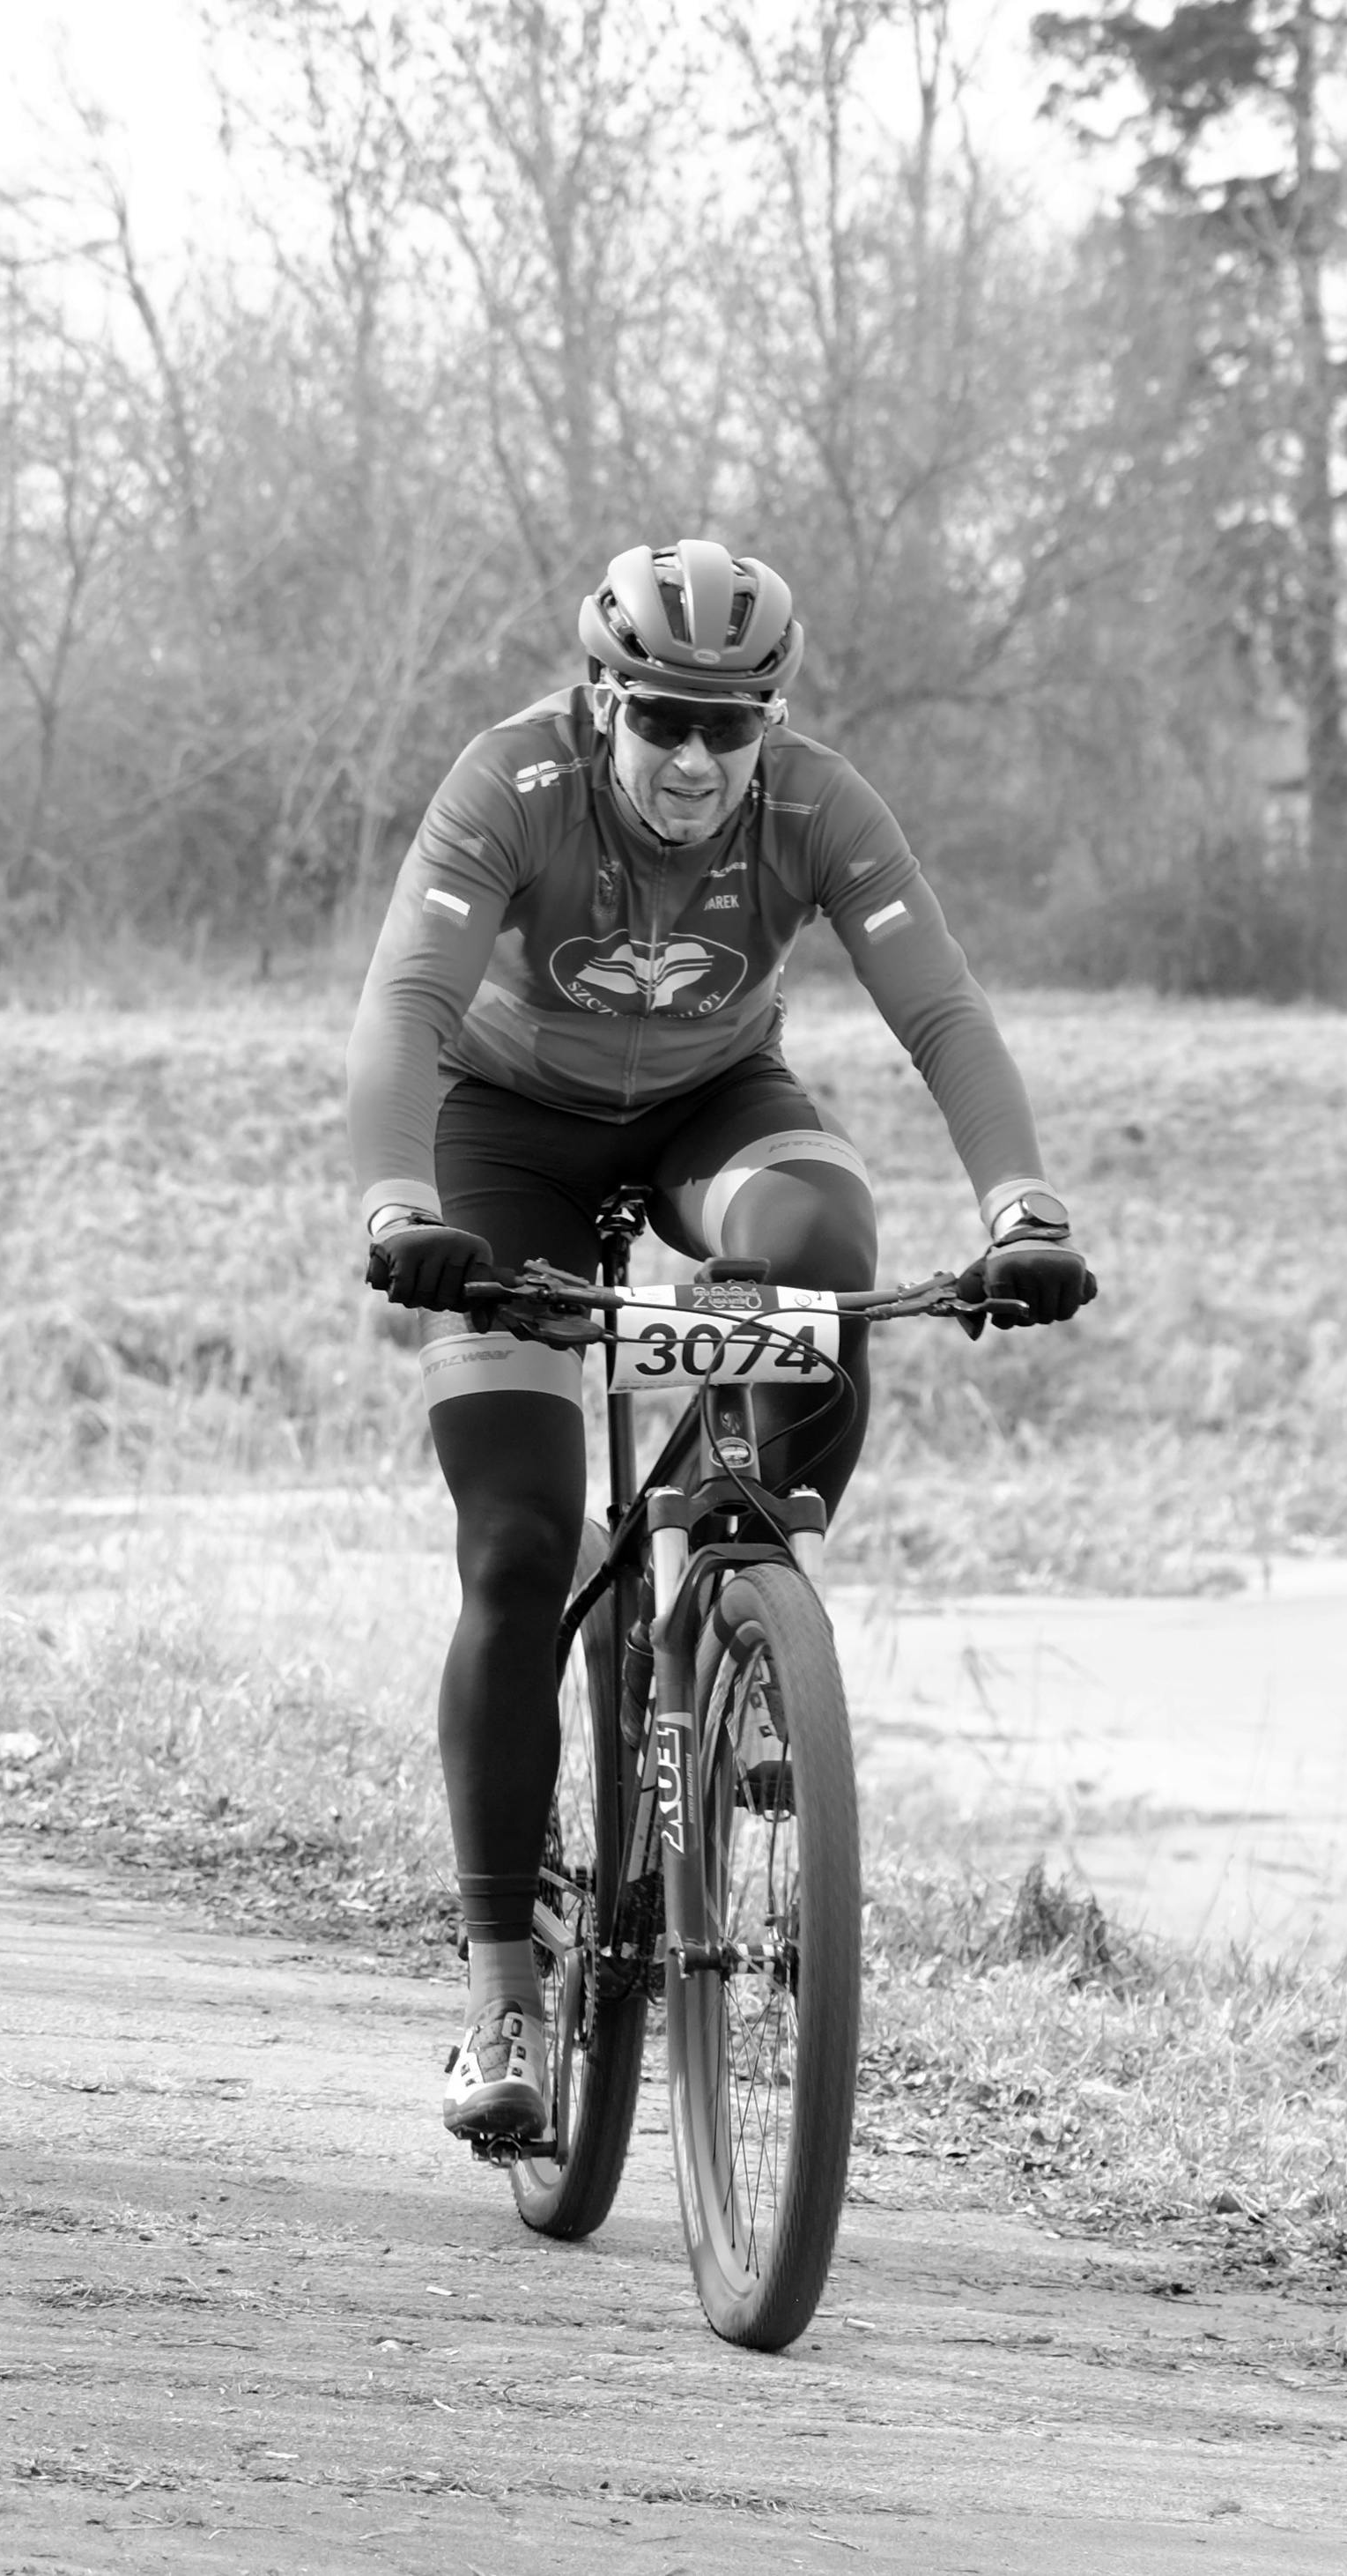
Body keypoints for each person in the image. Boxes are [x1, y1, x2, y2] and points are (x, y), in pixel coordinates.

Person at [348, 538, 1094, 2141]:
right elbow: (408, 997)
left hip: (708, 1110)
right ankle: (498, 1994)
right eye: (664, 720)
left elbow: (941, 1011)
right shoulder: (513, 783)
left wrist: (1021, 1206)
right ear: (605, 697)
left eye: (728, 727)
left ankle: (741, 1575)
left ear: (766, 722)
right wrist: (400, 1200)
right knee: (515, 1539)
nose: (694, 759)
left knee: (822, 1253)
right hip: (506, 1140)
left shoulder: (816, 802)